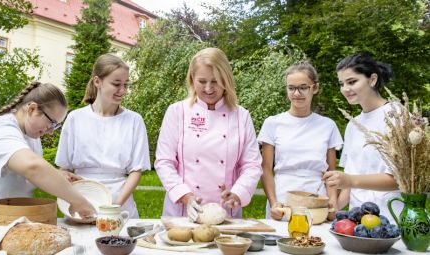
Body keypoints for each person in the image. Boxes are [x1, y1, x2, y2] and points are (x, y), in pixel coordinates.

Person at [0, 82, 96, 243]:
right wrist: (79, 201)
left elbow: (25, 172)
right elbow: (33, 167)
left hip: (0, 226)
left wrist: (57, 175)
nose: (51, 131)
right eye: (51, 122)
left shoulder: (30, 136)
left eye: (56, 126)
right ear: (31, 109)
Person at [155, 47, 262, 221]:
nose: (209, 88)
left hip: (227, 212)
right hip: (183, 213)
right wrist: (186, 196)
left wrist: (238, 193)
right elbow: (164, 161)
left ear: (226, 80)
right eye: (202, 81)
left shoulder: (241, 116)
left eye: (215, 81)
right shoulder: (177, 112)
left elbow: (252, 165)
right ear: (192, 80)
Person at [55, 54, 150, 218]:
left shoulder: (134, 120)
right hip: (82, 200)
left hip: (120, 203)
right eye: (116, 84)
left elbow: (136, 171)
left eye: (125, 84)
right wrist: (69, 188)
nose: (123, 90)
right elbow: (64, 167)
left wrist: (114, 207)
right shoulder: (75, 118)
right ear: (97, 82)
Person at [257, 62, 343, 220]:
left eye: (303, 87)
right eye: (291, 88)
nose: (297, 93)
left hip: (316, 201)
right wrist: (274, 202)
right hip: (283, 202)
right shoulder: (272, 123)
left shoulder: (328, 125)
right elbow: (266, 169)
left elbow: (331, 172)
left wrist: (333, 202)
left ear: (314, 88)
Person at [323, 53, 401, 218]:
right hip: (358, 222)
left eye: (352, 82)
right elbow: (349, 183)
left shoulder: (397, 115)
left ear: (372, 79)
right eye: (342, 84)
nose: (345, 89)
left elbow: (399, 180)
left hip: (391, 219)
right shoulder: (353, 125)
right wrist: (332, 208)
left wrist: (350, 180)